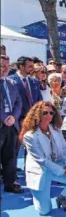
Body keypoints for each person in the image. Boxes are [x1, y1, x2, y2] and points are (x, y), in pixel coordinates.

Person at [22, 101, 66, 214]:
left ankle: (62, 197)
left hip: (57, 164)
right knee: (44, 211)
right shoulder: (29, 136)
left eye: (52, 113)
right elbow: (41, 160)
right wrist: (63, 171)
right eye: (45, 112)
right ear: (37, 114)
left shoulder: (56, 130)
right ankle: (37, 196)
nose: (49, 115)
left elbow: (65, 149)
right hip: (41, 172)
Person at [0, 54, 23, 193]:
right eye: (2, 66)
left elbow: (18, 102)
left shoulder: (12, 83)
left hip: (12, 126)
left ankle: (10, 184)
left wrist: (14, 117)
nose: (5, 69)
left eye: (8, 66)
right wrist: (4, 118)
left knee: (10, 156)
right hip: (2, 123)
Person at [8, 56, 42, 122]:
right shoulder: (10, 81)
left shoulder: (35, 81)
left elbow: (39, 101)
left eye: (33, 66)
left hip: (33, 120)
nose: (33, 69)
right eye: (30, 66)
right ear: (21, 67)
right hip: (17, 121)